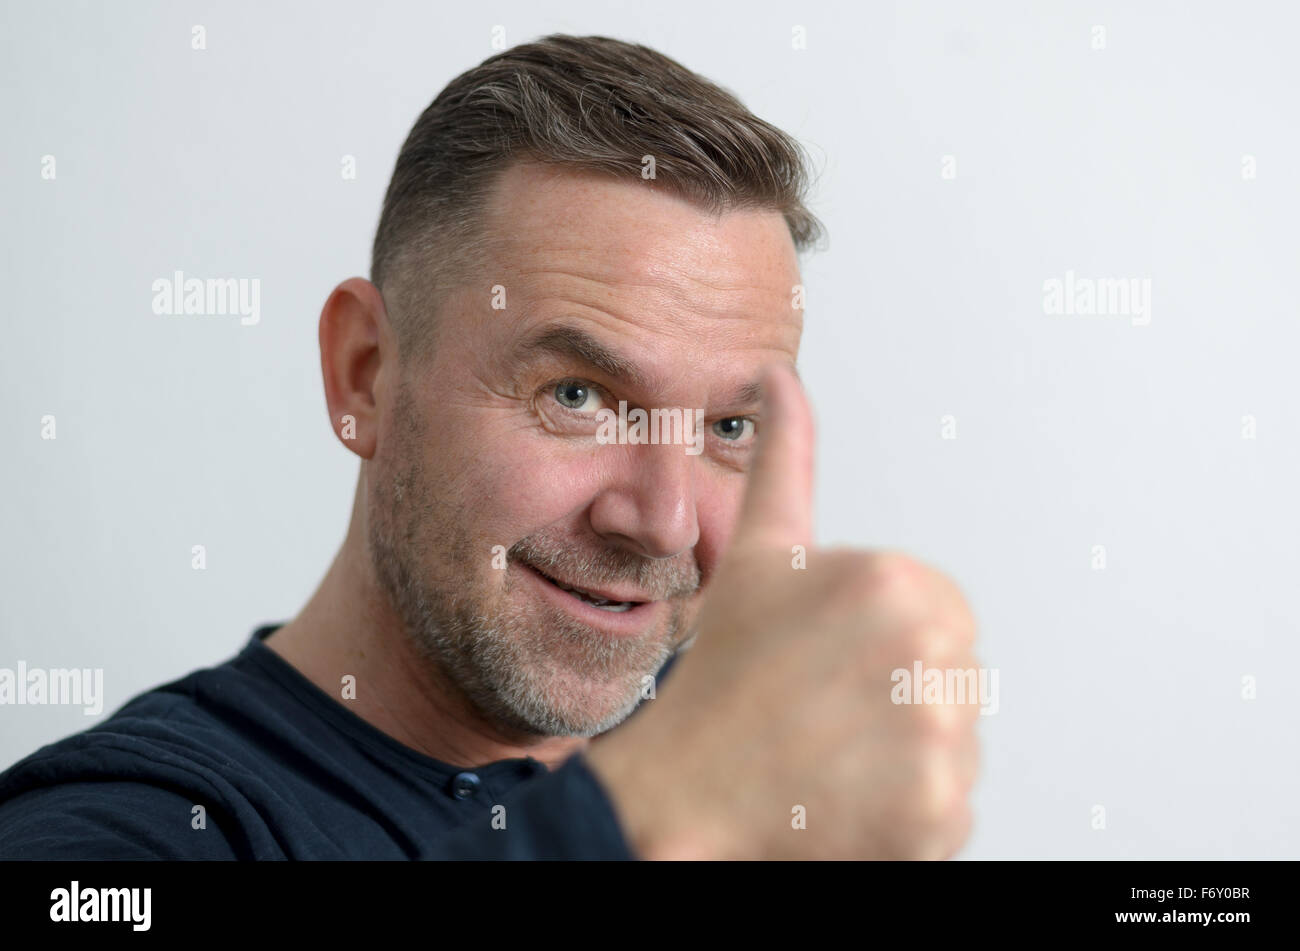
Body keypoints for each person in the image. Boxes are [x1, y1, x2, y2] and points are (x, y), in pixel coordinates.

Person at [0, 33, 980, 860]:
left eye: (728, 427)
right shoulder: (123, 833)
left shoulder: (764, 776)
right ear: (364, 373)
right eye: (580, 396)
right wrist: (652, 814)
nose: (662, 521)